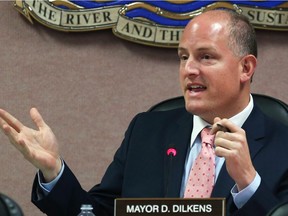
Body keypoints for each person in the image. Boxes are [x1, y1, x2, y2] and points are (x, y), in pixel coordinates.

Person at [0, 9, 287, 216]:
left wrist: (248, 182)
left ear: (246, 68)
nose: (188, 69)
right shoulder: (146, 131)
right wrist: (53, 171)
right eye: (183, 57)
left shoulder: (283, 146)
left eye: (206, 57)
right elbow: (94, 212)